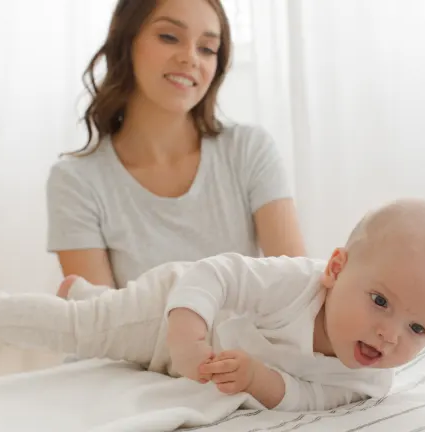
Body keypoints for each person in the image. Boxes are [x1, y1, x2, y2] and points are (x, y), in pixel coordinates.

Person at [0, 199, 425, 412]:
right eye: (380, 301)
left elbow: (311, 395)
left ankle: (84, 292)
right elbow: (215, 273)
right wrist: (187, 332)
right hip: (172, 314)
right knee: (83, 331)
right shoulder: (294, 285)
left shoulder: (375, 381)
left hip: (194, 353)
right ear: (335, 268)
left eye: (419, 327)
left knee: (100, 313)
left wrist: (258, 378)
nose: (390, 334)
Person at [46, 0, 306, 290]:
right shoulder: (76, 182)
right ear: (126, 41)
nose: (191, 58)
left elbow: (295, 289)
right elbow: (102, 324)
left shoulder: (249, 150)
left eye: (206, 48)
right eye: (169, 37)